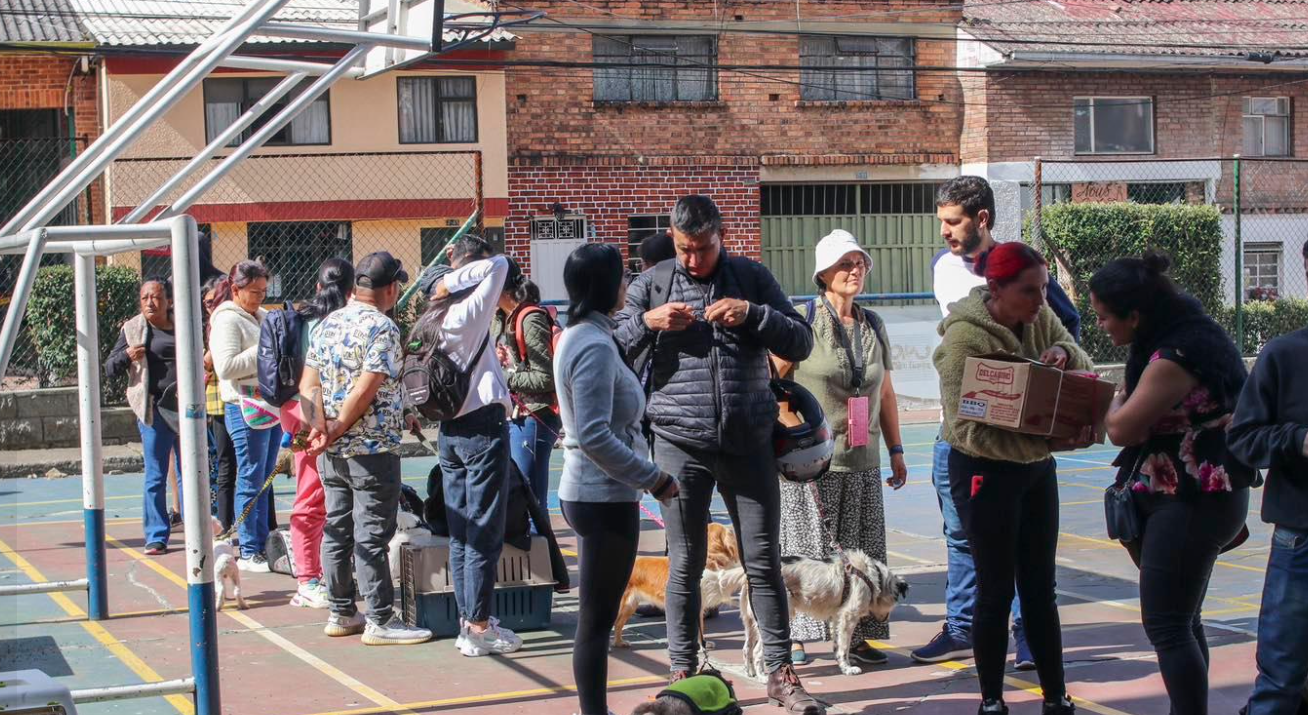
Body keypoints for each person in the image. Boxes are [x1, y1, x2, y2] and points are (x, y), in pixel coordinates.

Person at [614, 195, 821, 714]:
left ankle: (780, 672)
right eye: (684, 249)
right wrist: (650, 322)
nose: (692, 260)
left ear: (720, 236)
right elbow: (616, 346)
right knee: (683, 563)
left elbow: (801, 340)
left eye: (702, 249)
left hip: (749, 441)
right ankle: (683, 669)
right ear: (673, 236)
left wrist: (754, 315)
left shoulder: (750, 276)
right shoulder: (652, 284)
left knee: (762, 561)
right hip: (679, 443)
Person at [917, 176, 1083, 667]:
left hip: (1018, 439)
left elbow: (1066, 323)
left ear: (982, 219)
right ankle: (962, 625)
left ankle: (1028, 634)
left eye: (953, 222)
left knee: (1019, 547)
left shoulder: (1020, 267)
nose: (945, 231)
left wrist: (1052, 357)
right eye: (941, 222)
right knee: (957, 533)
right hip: (961, 428)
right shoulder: (942, 268)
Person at [933, 241, 1092, 715]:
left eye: (1044, 289)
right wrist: (1044, 442)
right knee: (996, 587)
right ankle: (991, 699)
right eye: (1029, 291)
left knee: (1041, 588)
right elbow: (969, 430)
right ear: (996, 289)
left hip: (1035, 470)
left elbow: (1081, 361)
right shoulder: (964, 341)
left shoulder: (1040, 318)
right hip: (984, 469)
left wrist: (1063, 351)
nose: (1040, 301)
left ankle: (1055, 695)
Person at [1092, 254, 1253, 715]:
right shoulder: (1191, 336)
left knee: (1165, 623)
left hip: (1190, 499)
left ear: (1135, 315)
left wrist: (1115, 402)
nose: (1101, 325)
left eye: (1104, 316)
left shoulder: (1170, 359)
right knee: (1182, 619)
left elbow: (1122, 429)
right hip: (1201, 496)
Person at [770, 229, 907, 667]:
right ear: (823, 273)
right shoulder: (802, 320)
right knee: (809, 554)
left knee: (860, 556)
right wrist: (790, 433)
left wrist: (897, 449)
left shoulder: (873, 325)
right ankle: (796, 635)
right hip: (812, 461)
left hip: (862, 458)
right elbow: (772, 383)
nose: (855, 270)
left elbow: (884, 392)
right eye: (846, 263)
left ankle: (855, 632)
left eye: (861, 263)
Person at [555, 243, 680, 715]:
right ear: (607, 286)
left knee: (596, 617)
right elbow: (592, 433)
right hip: (601, 496)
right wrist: (654, 479)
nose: (629, 285)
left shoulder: (587, 335)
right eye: (622, 277)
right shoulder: (589, 343)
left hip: (598, 493)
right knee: (596, 620)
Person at [299, 251, 432, 645]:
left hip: (332, 451)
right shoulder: (383, 328)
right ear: (390, 288)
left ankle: (341, 611)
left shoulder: (325, 324)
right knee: (372, 534)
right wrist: (338, 426)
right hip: (371, 448)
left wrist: (319, 426)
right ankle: (380, 619)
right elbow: (368, 385)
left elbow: (308, 384)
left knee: (337, 529)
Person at [422, 236, 524, 658]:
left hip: (449, 428)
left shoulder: (432, 315)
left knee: (463, 532)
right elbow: (499, 265)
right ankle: (479, 626)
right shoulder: (465, 310)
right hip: (482, 425)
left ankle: (471, 621)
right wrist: (452, 279)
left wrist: (442, 283)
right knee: (483, 532)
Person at [1230, 242, 1308, 715]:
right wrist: (1298, 440)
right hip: (1301, 537)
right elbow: (1243, 438)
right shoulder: (1285, 355)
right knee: (1280, 675)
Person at [279, 257, 354, 610]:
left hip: (303, 414)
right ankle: (308, 578)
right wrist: (316, 424)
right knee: (314, 497)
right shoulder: (327, 324)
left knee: (319, 496)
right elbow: (311, 384)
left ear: (318, 286)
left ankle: (316, 574)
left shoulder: (306, 320)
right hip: (314, 414)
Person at [211, 260, 282, 572]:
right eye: (254, 292)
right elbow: (225, 367)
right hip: (243, 406)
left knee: (265, 478)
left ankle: (264, 542)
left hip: (270, 404)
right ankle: (249, 547)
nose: (259, 298)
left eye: (264, 291)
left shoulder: (264, 316)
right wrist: (266, 350)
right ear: (235, 289)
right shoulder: (226, 320)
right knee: (250, 476)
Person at [105, 278, 180, 556]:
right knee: (156, 475)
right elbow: (110, 368)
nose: (150, 302)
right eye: (145, 297)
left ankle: (199, 526)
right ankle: (157, 536)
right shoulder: (133, 329)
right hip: (154, 410)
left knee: (191, 473)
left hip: (187, 409)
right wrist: (126, 355)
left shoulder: (185, 324)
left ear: (169, 301)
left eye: (157, 297)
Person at [494, 269, 561, 515]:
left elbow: (545, 377)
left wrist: (506, 378)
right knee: (520, 498)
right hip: (514, 416)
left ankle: (543, 551)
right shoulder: (502, 318)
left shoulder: (529, 318)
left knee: (530, 502)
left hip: (534, 416)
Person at [203, 276, 238, 532]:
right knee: (225, 464)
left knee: (251, 467)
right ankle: (224, 523)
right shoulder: (210, 325)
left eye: (214, 301)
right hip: (217, 403)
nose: (210, 307)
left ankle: (262, 524)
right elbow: (209, 362)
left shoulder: (230, 320)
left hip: (240, 399)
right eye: (207, 303)